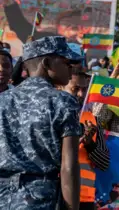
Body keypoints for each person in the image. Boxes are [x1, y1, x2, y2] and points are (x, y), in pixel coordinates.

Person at [0, 36, 83, 210]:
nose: (71, 68)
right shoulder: (63, 102)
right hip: (39, 199)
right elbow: (69, 166)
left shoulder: (3, 100)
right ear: (46, 63)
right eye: (66, 62)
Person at [61, 69, 111, 210]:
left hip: (84, 198)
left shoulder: (91, 120)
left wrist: (90, 144)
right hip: (58, 195)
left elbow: (104, 163)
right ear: (61, 88)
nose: (80, 94)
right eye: (75, 89)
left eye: (84, 89)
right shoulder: (52, 117)